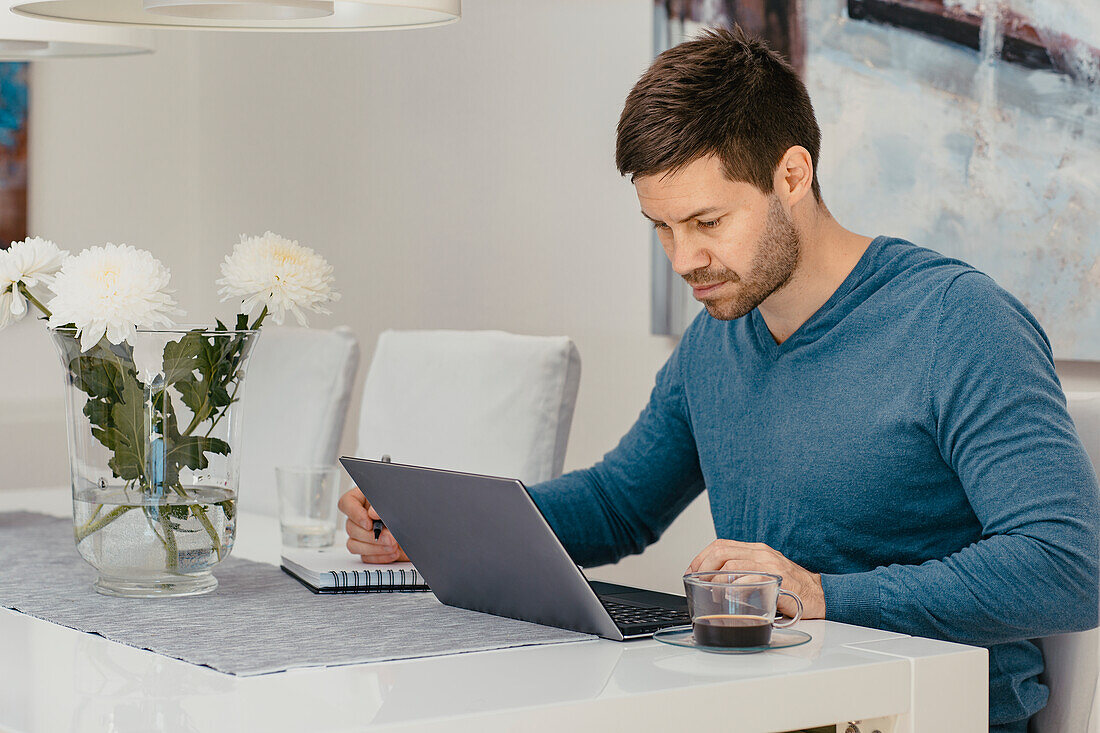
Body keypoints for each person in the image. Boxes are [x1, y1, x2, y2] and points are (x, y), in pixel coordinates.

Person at [338, 27, 1099, 732]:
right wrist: (437, 527)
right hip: (775, 702)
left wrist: (827, 593)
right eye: (662, 227)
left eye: (707, 222)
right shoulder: (719, 336)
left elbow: (1068, 565)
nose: (683, 259)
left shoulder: (955, 322)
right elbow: (618, 505)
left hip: (916, 714)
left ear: (792, 174)